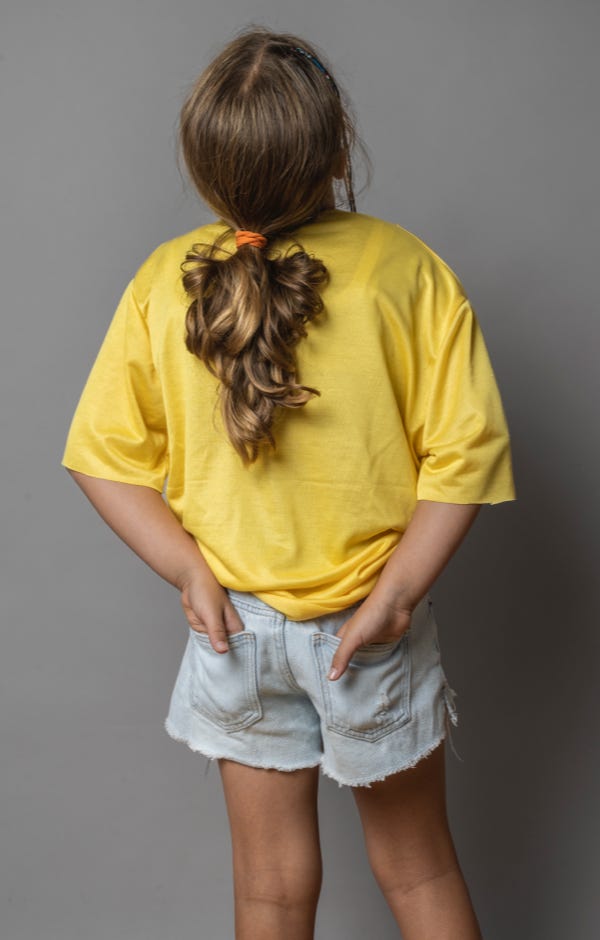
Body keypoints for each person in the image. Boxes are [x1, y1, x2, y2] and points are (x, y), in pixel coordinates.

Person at [61, 25, 516, 940]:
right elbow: (465, 462)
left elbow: (102, 460)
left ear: (204, 167)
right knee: (420, 870)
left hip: (236, 631)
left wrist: (191, 573)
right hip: (367, 627)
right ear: (338, 148)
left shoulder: (163, 283)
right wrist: (398, 595)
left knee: (269, 890)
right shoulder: (409, 273)